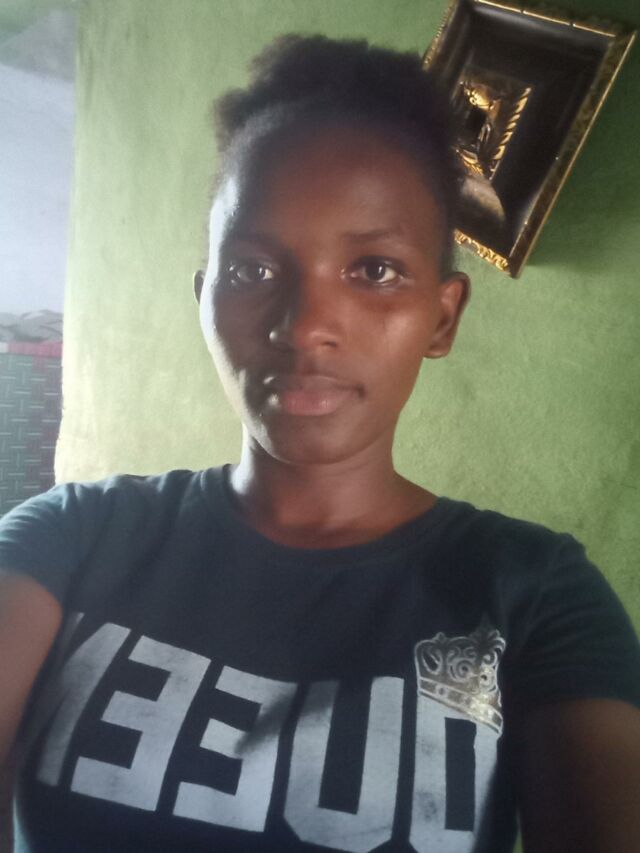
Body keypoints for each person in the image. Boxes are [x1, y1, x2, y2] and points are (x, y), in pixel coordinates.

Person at [0, 34, 639, 853]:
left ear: (442, 317)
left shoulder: (534, 595)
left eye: (374, 270)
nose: (303, 327)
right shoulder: (70, 537)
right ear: (203, 297)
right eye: (252, 271)